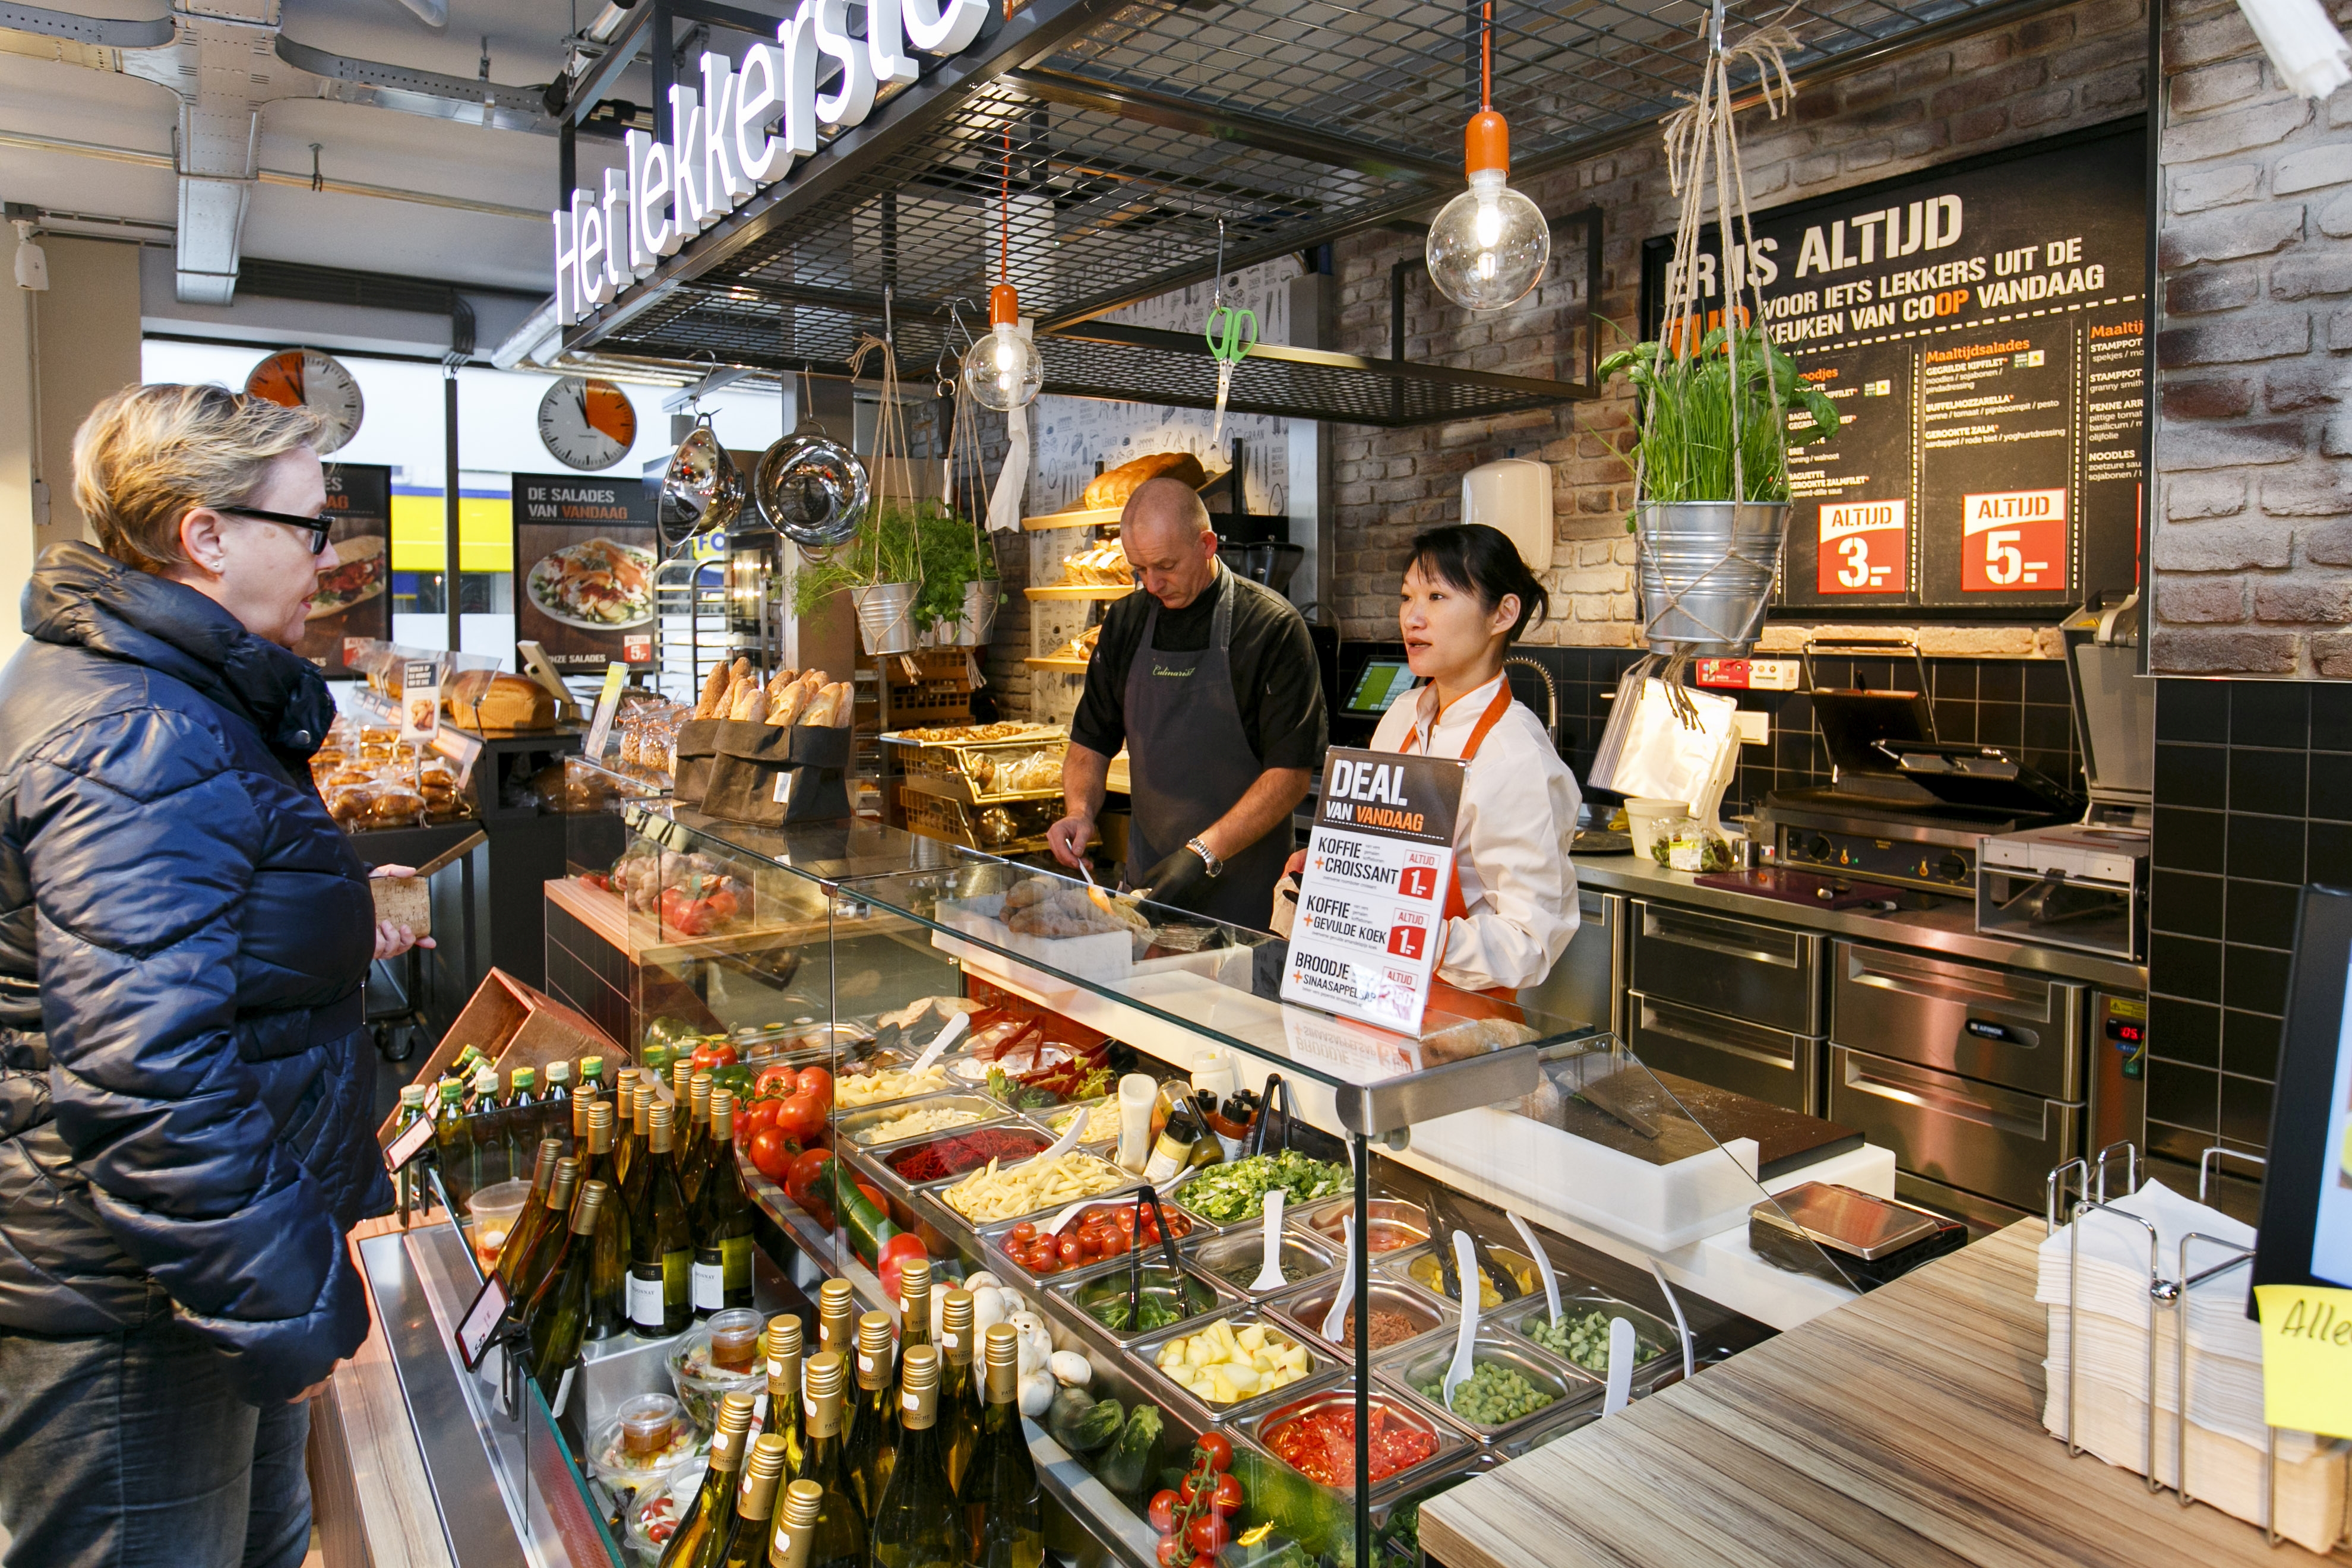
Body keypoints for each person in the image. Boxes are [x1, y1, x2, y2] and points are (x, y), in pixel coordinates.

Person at [0, 384, 430, 1568]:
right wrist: (286, 1299)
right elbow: (148, 1075)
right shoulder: (134, 729)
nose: (329, 559)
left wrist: (337, 921)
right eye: (311, 527)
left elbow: (181, 957)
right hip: (141, 1305)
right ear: (206, 536)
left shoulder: (153, 693)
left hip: (187, 1277)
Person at [1308, 523, 1580, 1001]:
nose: (1412, 618)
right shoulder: (1400, 716)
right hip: (1367, 998)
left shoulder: (1516, 756)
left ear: (1503, 614)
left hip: (1460, 1020)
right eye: (1406, 597)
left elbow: (1529, 943)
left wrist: (1411, 936)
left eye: (1436, 597)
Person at [1048, 476, 1326, 928]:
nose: (1152, 583)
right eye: (1140, 569)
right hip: (1150, 888)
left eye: (1166, 566)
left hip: (1247, 897)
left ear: (1207, 545)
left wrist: (1202, 854)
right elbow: (1090, 743)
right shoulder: (1126, 622)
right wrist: (1080, 812)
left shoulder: (1270, 627)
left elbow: (1290, 776)